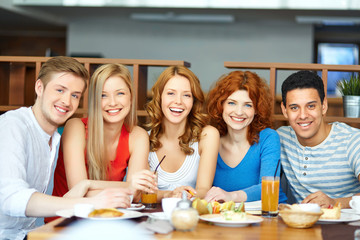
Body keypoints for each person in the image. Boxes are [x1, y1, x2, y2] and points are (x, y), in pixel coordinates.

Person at [0, 57, 132, 240]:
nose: (66, 101)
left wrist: (88, 187)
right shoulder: (12, 125)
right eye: (60, 90)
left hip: (27, 235)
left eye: (75, 95)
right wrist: (88, 203)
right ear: (40, 87)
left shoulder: (54, 138)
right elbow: (10, 199)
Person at [47, 64, 156, 222]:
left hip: (108, 220)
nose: (112, 102)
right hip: (66, 223)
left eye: (120, 93)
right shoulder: (75, 127)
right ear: (94, 100)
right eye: (103, 95)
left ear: (131, 97)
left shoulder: (137, 135)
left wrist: (87, 184)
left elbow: (136, 194)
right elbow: (78, 192)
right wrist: (128, 187)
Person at [277, 70, 360, 208]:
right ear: (285, 110)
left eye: (311, 106)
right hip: (303, 226)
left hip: (348, 227)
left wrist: (335, 203)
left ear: (324, 106)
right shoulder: (281, 138)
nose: (303, 115)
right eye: (294, 107)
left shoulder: (352, 141)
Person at [204, 71, 287, 203]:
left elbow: (268, 188)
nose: (239, 112)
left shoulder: (268, 138)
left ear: (256, 110)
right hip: (227, 219)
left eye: (248, 105)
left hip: (271, 216)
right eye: (232, 103)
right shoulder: (210, 141)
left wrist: (230, 196)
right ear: (221, 105)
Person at [145, 65, 220, 200]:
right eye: (171, 93)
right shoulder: (144, 139)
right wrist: (171, 194)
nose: (178, 101)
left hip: (189, 215)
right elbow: (142, 193)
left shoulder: (207, 136)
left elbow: (203, 189)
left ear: (193, 101)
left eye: (186, 95)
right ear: (159, 97)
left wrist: (185, 195)